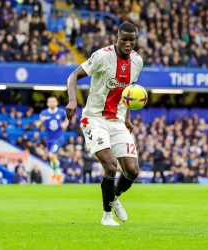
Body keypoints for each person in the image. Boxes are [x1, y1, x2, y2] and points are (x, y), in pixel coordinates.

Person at [66, 22, 143, 226]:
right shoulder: (102, 56)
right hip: (94, 119)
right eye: (124, 39)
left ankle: (114, 197)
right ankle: (107, 216)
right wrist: (72, 99)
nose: (128, 43)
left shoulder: (137, 62)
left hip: (117, 121)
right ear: (116, 38)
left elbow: (127, 93)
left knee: (133, 171)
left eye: (131, 40)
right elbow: (73, 76)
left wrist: (127, 118)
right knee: (111, 166)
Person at [37, 97, 69, 184]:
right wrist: (41, 122)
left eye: (53, 101)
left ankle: (58, 174)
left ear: (57, 103)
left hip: (58, 138)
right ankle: (56, 175)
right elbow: (39, 127)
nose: (52, 103)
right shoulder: (44, 113)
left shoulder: (61, 112)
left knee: (51, 155)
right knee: (52, 158)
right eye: (50, 101)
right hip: (49, 139)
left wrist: (65, 124)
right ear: (47, 104)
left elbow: (67, 120)